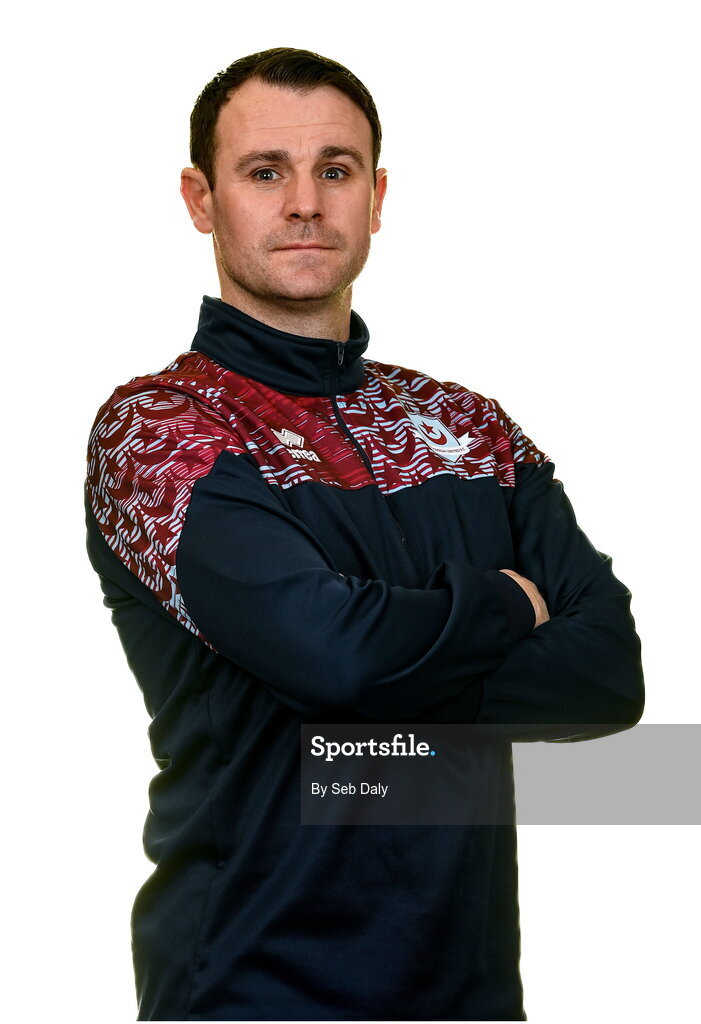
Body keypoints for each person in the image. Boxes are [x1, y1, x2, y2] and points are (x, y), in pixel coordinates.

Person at [85, 46, 644, 1021]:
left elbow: (606, 671)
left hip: (468, 994)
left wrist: (370, 661)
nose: (304, 202)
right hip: (248, 986)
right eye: (266, 172)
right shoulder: (158, 429)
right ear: (200, 198)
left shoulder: (471, 428)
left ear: (375, 195)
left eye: (334, 170)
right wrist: (506, 602)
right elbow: (332, 660)